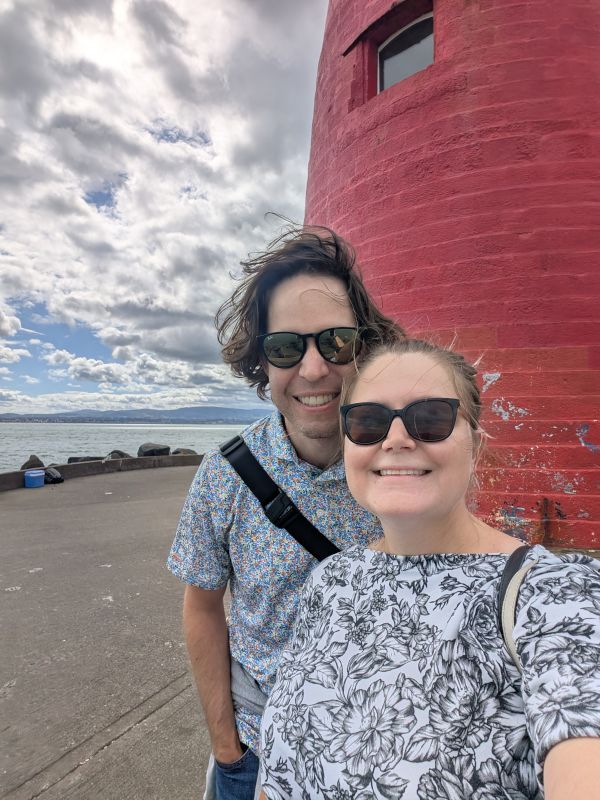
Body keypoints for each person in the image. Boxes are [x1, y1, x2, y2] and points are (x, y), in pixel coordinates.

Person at [259, 338, 600, 799]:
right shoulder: (330, 581)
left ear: (475, 445)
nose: (396, 439)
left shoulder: (552, 594)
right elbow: (277, 773)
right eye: (368, 422)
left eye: (431, 418)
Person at [167, 225, 401, 800]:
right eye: (286, 347)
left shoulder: (407, 465)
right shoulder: (224, 475)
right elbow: (202, 606)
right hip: (256, 745)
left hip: (373, 751)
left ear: (362, 347)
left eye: (336, 342)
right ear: (262, 363)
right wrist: (228, 749)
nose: (315, 369)